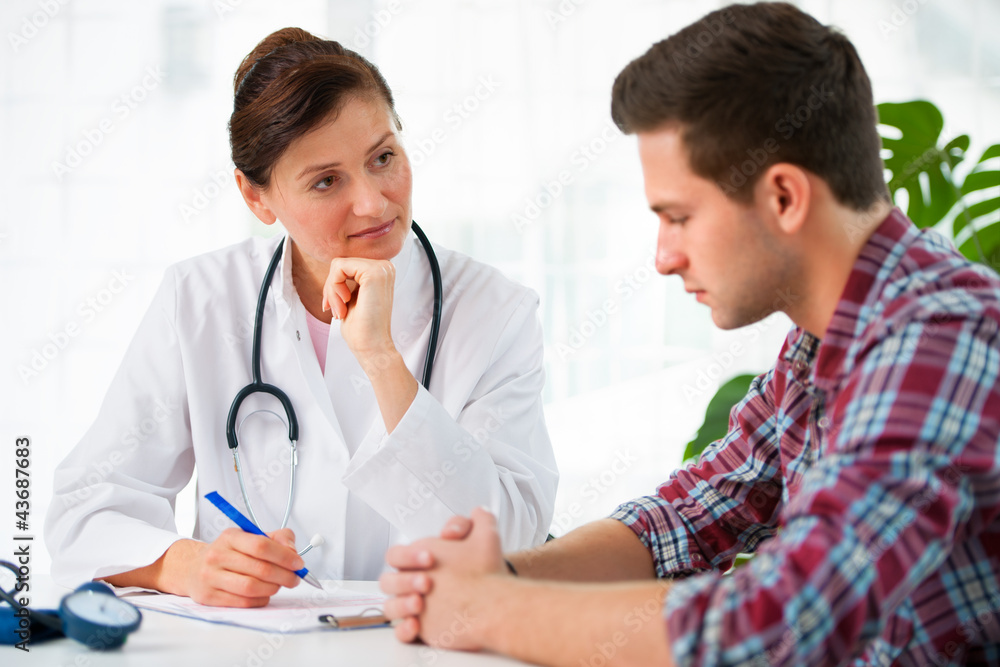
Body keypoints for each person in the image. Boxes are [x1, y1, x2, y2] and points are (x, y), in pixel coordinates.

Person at [379, 3, 1000, 665]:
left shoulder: (940, 335)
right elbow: (685, 518)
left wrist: (490, 607)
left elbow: (775, 624)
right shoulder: (822, 344)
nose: (663, 256)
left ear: (785, 197)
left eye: (678, 216)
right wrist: (496, 579)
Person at [44, 27, 558, 607]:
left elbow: (514, 540)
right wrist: (185, 566)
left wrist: (383, 362)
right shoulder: (201, 298)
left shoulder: (497, 312)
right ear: (256, 198)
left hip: (415, 647)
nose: (373, 202)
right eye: (326, 181)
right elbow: (84, 510)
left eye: (383, 157)